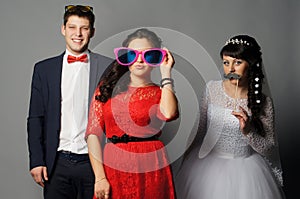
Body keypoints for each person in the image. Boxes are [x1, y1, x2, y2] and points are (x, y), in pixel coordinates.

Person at [175, 35, 285, 199]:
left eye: (238, 62)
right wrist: (184, 163)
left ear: (251, 65)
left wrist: (248, 131)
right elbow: (199, 131)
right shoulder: (211, 89)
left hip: (247, 173)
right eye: (226, 62)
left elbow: (269, 147)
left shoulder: (264, 102)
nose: (231, 69)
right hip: (207, 167)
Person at [27, 5, 112, 199]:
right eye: (72, 27)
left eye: (84, 28)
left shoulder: (109, 67)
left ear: (92, 32)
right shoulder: (43, 69)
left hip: (96, 164)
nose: (78, 34)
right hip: (56, 163)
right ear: (63, 29)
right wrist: (36, 160)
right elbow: (35, 118)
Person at [85, 28, 178, 199]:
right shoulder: (106, 90)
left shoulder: (160, 92)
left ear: (156, 58)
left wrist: (166, 74)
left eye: (148, 55)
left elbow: (169, 113)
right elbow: (93, 135)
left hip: (151, 165)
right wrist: (100, 178)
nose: (140, 60)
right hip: (114, 164)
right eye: (132, 54)